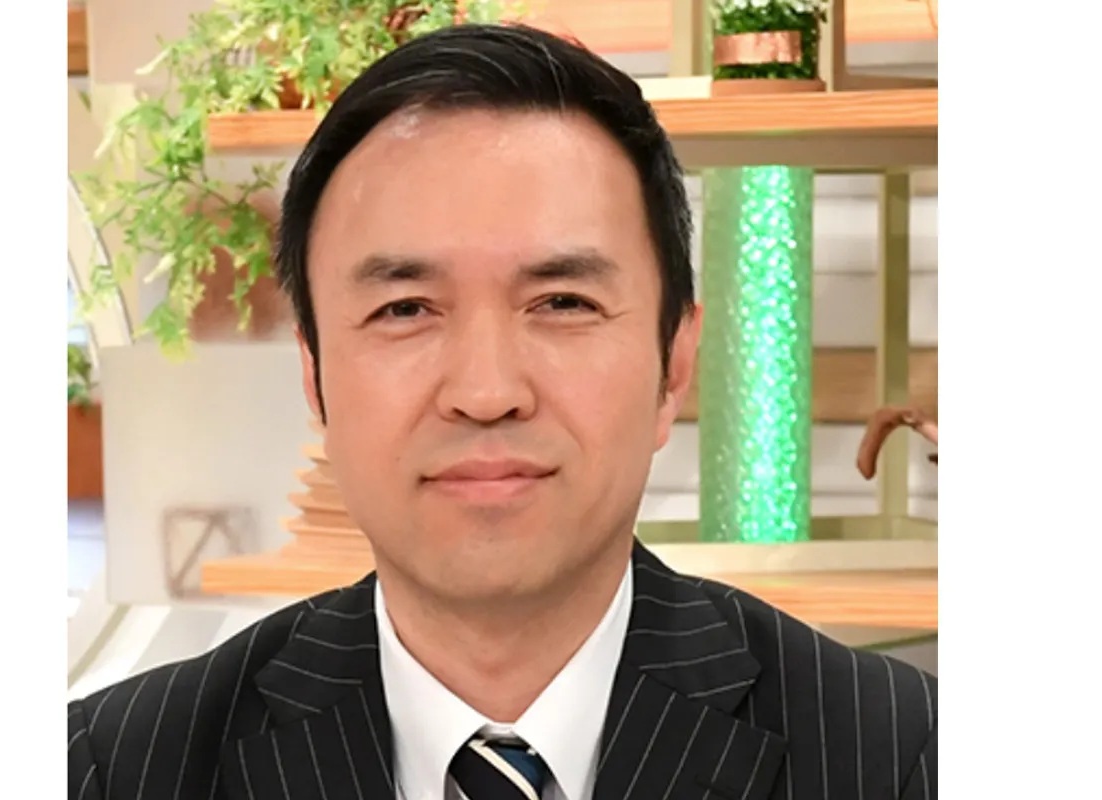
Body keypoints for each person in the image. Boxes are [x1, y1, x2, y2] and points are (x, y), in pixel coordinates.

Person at [68, 23, 937, 800]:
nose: (486, 393)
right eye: (405, 309)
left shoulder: (913, 757)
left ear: (673, 363)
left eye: (562, 302)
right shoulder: (106, 770)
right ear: (315, 375)